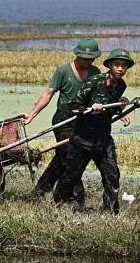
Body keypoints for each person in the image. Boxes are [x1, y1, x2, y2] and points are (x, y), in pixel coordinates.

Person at [54, 48, 135, 214]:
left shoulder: (121, 86)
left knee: (112, 174)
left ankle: (111, 211)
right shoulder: (94, 82)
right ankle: (61, 202)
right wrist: (90, 108)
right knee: (72, 175)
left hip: (103, 138)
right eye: (117, 65)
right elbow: (74, 106)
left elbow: (111, 105)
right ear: (110, 65)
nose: (120, 69)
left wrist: (121, 111)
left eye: (124, 66)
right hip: (83, 139)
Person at [23, 37, 102, 200]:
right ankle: (75, 195)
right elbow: (48, 93)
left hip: (83, 119)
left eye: (91, 59)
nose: (88, 62)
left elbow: (101, 97)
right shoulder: (63, 71)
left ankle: (39, 192)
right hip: (63, 119)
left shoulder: (96, 73)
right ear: (77, 55)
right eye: (85, 58)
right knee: (72, 155)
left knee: (61, 159)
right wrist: (32, 114)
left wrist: (118, 112)